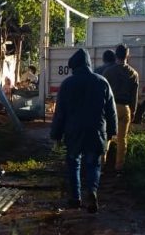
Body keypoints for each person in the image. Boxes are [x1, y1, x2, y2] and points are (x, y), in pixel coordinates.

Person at [50, 48, 117, 213]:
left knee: (74, 163)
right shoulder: (102, 82)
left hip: (74, 132)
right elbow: (111, 110)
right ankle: (92, 192)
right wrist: (111, 133)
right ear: (88, 63)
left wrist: (56, 135)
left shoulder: (67, 84)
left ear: (75, 67)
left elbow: (60, 113)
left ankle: (75, 197)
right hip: (96, 130)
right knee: (93, 163)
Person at [102, 43, 139, 175]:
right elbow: (134, 96)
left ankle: (102, 164)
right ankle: (119, 167)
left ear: (115, 55)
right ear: (127, 55)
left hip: (110, 108)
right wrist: (133, 111)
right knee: (122, 138)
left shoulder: (108, 72)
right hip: (125, 108)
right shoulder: (133, 73)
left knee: (107, 136)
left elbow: (103, 93)